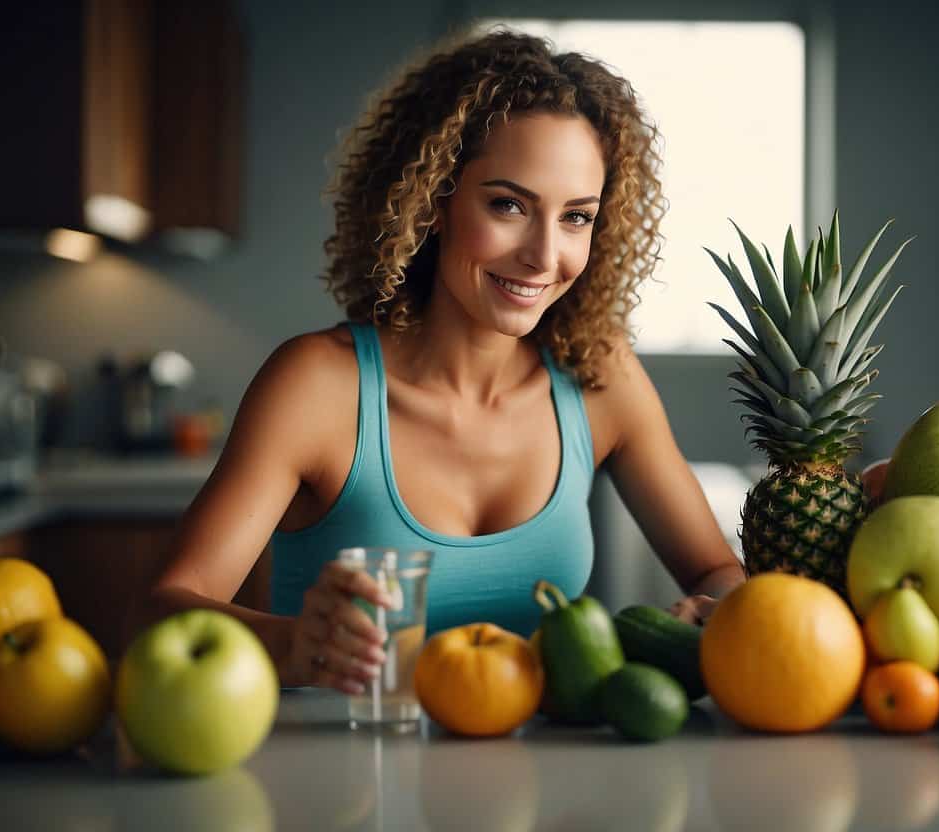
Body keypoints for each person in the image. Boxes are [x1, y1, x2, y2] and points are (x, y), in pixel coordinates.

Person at [129, 27, 744, 696]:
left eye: (575, 217)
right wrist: (291, 644)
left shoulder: (599, 376)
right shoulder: (317, 387)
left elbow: (716, 571)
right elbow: (158, 611)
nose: (544, 255)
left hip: (536, 792)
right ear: (432, 200)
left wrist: (711, 613)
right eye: (507, 205)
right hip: (336, 788)